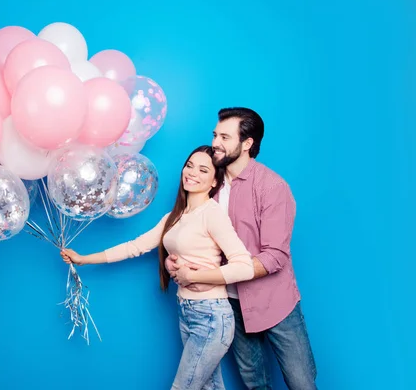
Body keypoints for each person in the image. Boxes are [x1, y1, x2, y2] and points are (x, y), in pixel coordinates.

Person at [61, 145, 254, 390]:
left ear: (215, 181)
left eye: (203, 170)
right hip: (188, 312)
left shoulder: (212, 214)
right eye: (190, 165)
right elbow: (135, 246)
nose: (192, 173)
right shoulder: (174, 216)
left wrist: (193, 275)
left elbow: (244, 267)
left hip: (211, 316)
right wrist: (84, 258)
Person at [167, 107, 317, 390]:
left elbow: (275, 257)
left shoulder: (272, 187)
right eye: (215, 135)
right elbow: (189, 231)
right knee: (254, 385)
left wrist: (203, 275)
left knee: (302, 384)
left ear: (247, 143)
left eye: (225, 137)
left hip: (276, 302)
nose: (215, 143)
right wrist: (173, 263)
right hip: (230, 304)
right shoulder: (209, 182)